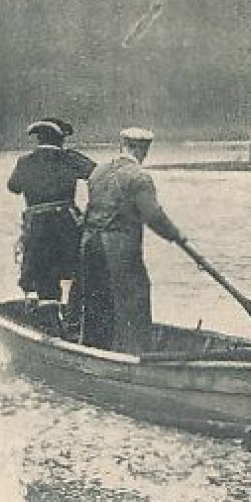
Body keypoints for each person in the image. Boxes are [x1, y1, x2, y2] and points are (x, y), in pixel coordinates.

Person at [77, 127, 185, 351]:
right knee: (134, 299)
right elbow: (153, 215)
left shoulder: (98, 172)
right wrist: (177, 236)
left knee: (97, 299)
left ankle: (94, 350)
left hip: (90, 245)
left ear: (122, 145)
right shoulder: (139, 177)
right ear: (143, 149)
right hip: (119, 249)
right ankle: (135, 353)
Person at [6, 118, 96, 304]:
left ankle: (49, 319)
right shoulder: (70, 159)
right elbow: (96, 174)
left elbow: (13, 187)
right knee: (79, 274)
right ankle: (75, 319)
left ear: (38, 139)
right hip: (67, 226)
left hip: (37, 230)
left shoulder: (25, 162)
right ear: (61, 139)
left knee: (43, 279)